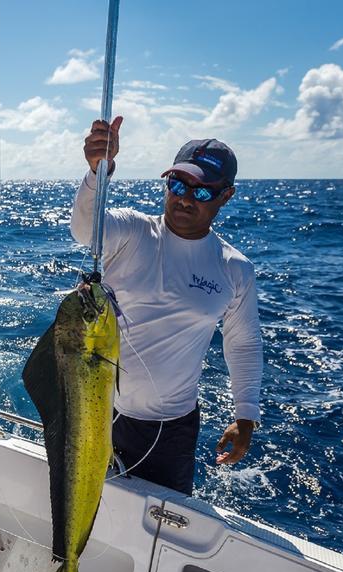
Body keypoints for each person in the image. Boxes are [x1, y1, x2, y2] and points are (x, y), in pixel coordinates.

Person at [70, 116, 263, 495]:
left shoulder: (234, 268)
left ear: (227, 195)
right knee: (83, 507)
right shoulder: (132, 231)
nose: (186, 197)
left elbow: (242, 342)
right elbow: (84, 228)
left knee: (159, 527)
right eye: (178, 184)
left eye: (203, 191)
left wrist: (246, 415)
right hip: (98, 410)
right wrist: (97, 171)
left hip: (172, 431)